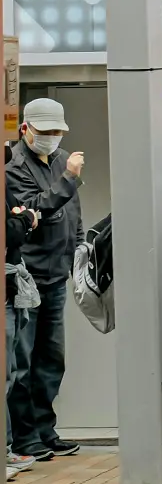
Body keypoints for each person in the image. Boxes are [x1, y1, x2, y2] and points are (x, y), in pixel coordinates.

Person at [6, 98, 84, 461]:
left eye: (57, 132)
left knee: (51, 359)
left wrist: (80, 249)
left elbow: (72, 212)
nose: (53, 138)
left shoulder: (61, 158)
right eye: (46, 132)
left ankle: (44, 429)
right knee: (21, 362)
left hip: (57, 274)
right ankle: (23, 438)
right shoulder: (13, 167)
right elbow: (37, 206)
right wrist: (69, 177)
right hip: (27, 277)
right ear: (26, 129)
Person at [6, 198, 39, 478]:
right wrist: (26, 218)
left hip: (11, 289)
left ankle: (8, 449)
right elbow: (12, 232)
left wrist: (21, 216)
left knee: (11, 372)